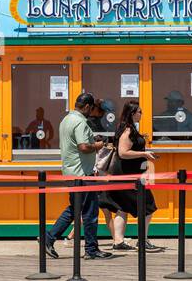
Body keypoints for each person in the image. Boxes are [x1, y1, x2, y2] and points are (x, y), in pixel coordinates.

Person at [44, 92, 110, 260]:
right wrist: (100, 144)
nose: (92, 111)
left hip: (70, 172)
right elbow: (83, 147)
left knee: (75, 209)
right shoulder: (80, 122)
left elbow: (75, 142)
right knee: (90, 212)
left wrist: (91, 139)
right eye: (92, 108)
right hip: (83, 174)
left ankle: (49, 238)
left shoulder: (66, 119)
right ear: (87, 106)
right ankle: (91, 249)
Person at [102, 101, 163, 252]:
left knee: (122, 208)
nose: (141, 114)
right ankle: (142, 241)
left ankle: (118, 241)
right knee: (148, 205)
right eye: (139, 112)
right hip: (128, 175)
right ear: (132, 113)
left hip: (124, 174)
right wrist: (144, 153)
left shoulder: (126, 128)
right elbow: (123, 152)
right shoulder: (128, 130)